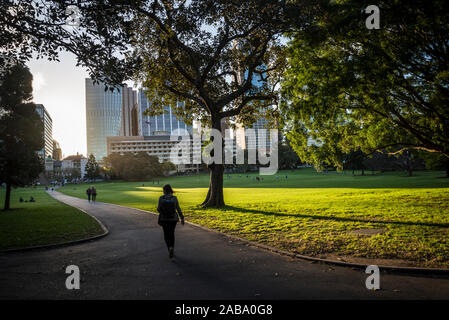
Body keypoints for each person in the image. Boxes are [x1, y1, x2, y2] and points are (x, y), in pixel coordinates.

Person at [157, 184, 184, 259]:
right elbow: (178, 209)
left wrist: (163, 211)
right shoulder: (174, 198)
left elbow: (158, 209)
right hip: (173, 219)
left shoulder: (161, 198)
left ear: (164, 191)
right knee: (171, 234)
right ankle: (172, 247)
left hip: (164, 219)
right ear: (170, 190)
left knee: (166, 234)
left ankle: (169, 248)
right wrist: (182, 218)